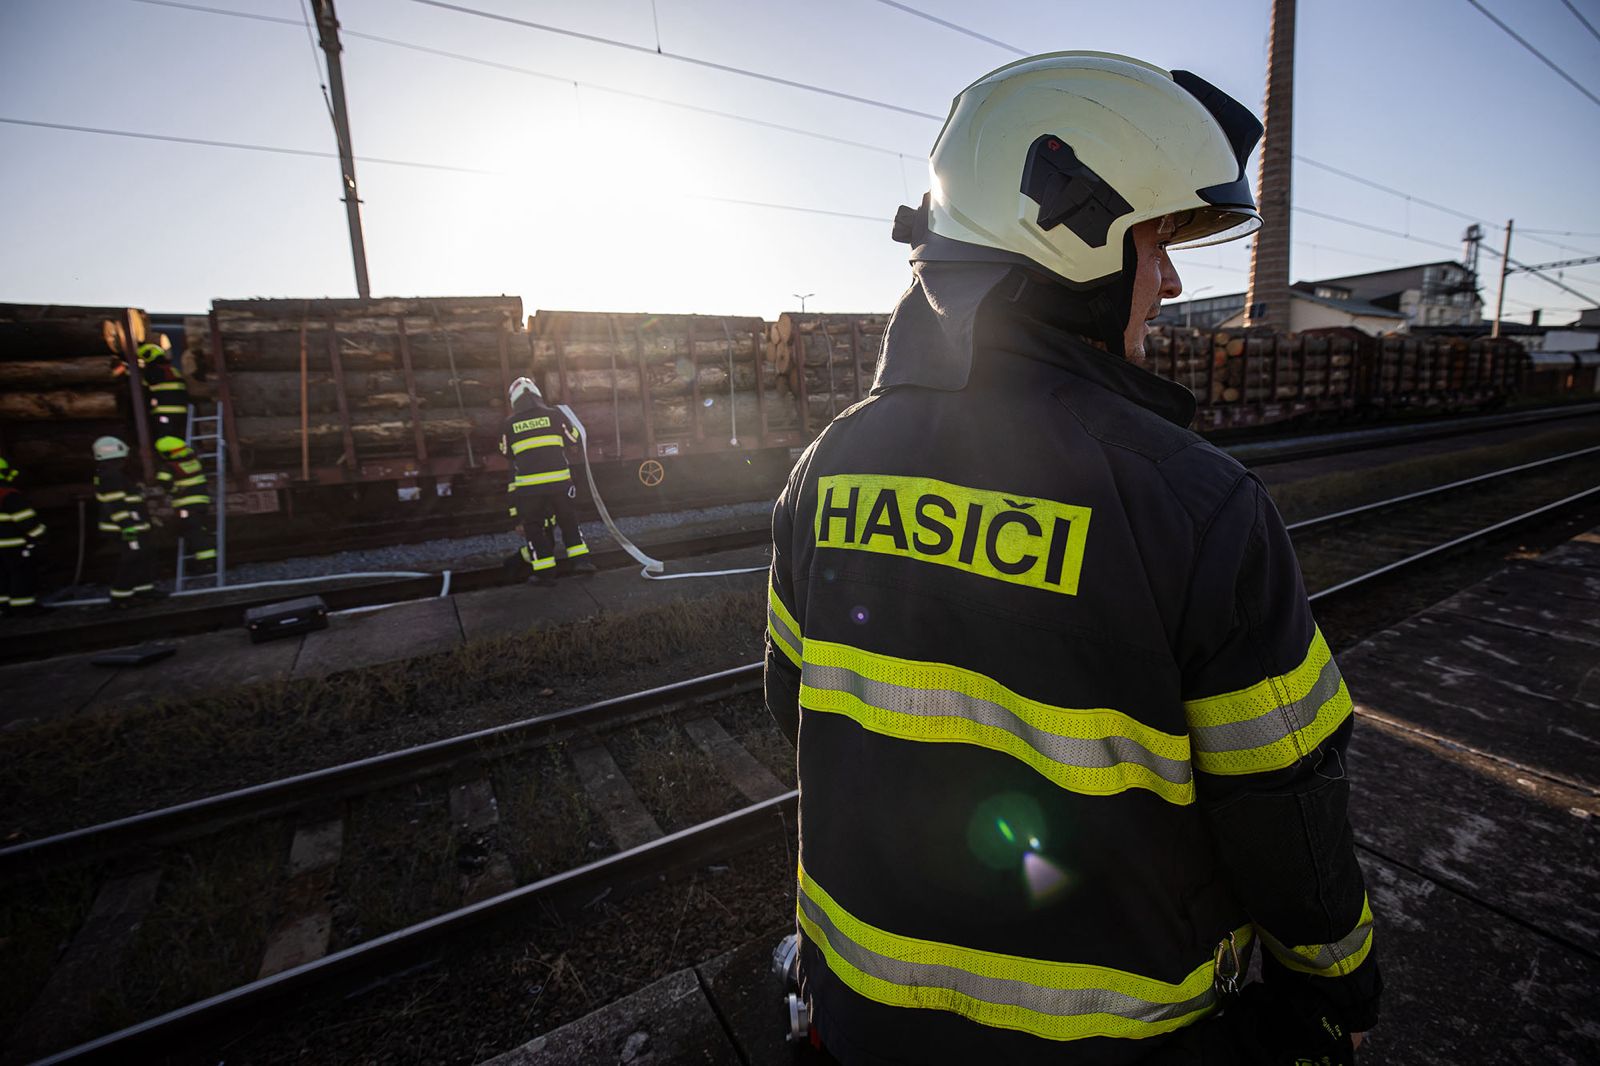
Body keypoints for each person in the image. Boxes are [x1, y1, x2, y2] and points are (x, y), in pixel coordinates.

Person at [764, 52, 1379, 1065]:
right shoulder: (1197, 505)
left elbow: (796, 710)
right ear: (1072, 236)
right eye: (1156, 242)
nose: (1170, 281)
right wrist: (1338, 983)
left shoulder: (825, 466)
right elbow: (1285, 804)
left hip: (859, 1014)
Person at [499, 377, 594, 585]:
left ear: (514, 400)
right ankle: (581, 562)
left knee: (534, 528)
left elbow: (505, 452)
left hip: (529, 489)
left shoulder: (509, 424)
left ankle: (545, 574)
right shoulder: (555, 415)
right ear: (537, 395)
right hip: (560, 483)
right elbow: (574, 438)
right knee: (568, 521)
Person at [93, 436, 161, 605]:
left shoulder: (110, 474)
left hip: (133, 525)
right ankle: (121, 597)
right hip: (126, 528)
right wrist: (128, 527)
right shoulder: (111, 475)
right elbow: (116, 505)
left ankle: (144, 590)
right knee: (132, 557)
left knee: (143, 555)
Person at [153, 435, 216, 571]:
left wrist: (174, 490)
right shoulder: (193, 461)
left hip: (185, 506)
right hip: (201, 502)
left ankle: (205, 564)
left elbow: (163, 481)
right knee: (197, 529)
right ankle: (206, 561)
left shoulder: (169, 466)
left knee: (192, 531)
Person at [0, 456, 47, 617]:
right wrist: (40, 534)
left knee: (2, 577)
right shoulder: (8, 495)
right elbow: (26, 520)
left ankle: (4, 608)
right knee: (21, 574)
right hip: (13, 545)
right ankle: (24, 607)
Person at [113, 335, 190, 431]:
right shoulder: (173, 371)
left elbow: (136, 381)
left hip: (164, 412)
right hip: (181, 412)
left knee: (164, 438)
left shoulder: (152, 372)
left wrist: (124, 368)